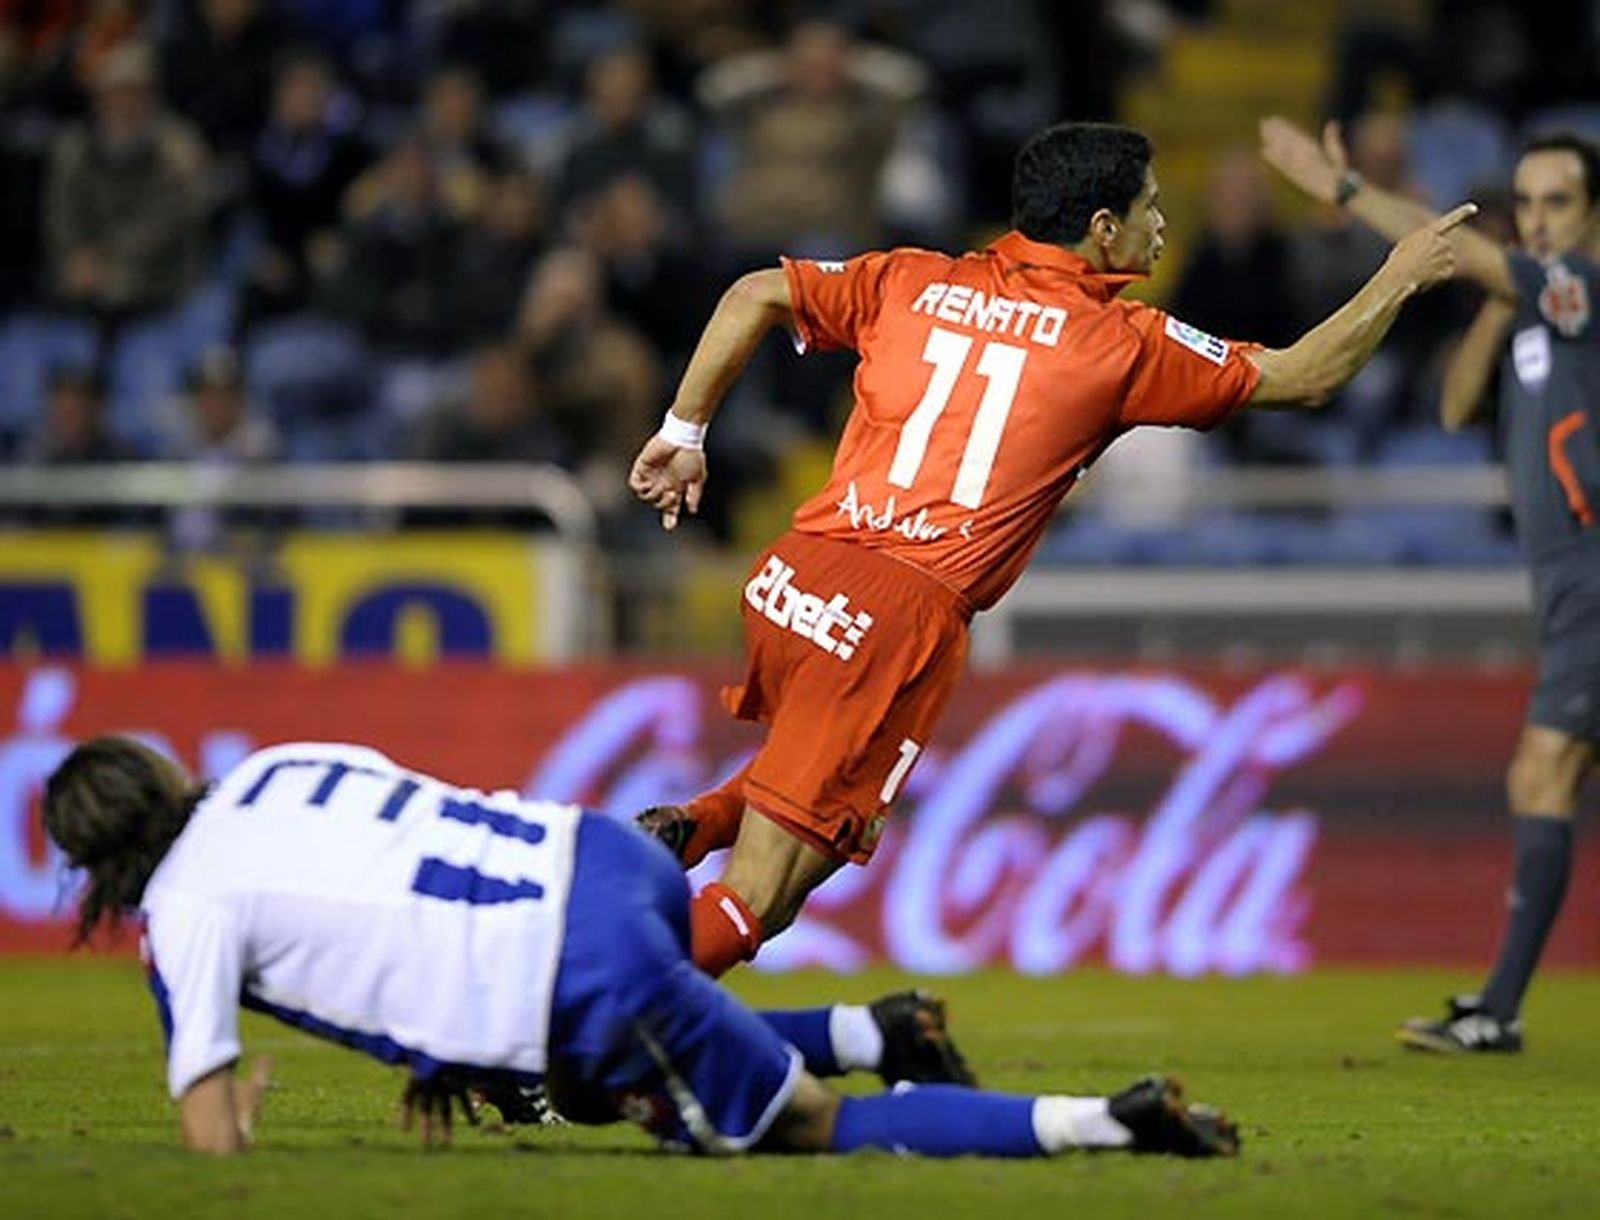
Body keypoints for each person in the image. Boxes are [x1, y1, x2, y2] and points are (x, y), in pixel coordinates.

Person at [628, 120, 1477, 978]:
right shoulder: (1118, 344)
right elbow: (1306, 377)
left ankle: (690, 825)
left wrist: (682, 432)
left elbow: (752, 293)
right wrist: (1398, 277)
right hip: (899, 613)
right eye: (1150, 207)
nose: (1162, 226)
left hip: (794, 574)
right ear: (1103, 228)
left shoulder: (912, 278)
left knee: (814, 819)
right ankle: (583, 1030)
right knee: (763, 895)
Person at [41, 735, 1237, 1159]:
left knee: (798, 1123)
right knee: (613, 1077)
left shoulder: (182, 911)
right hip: (605, 857)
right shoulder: (271, 766)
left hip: (557, 967)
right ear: (160, 770)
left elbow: (206, 1136)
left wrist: (236, 1119)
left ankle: (1100, 1121)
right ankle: (877, 1028)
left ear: (99, 865)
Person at [1260, 116, 1600, 1053]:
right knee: (1546, 775)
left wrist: (1342, 192)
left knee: (1542, 770)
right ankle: (1497, 1008)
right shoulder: (1544, 309)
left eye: (1557, 204)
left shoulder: (1587, 289)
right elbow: (1455, 407)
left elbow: (1470, 258)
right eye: (1523, 204)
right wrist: (1504, 298)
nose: (1536, 223)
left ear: (1595, 214)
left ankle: (1497, 1011)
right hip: (1570, 585)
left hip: (1593, 579)